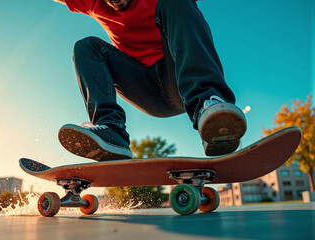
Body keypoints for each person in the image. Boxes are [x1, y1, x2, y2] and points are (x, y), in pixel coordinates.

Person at [54, 0, 247, 161]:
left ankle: (208, 109)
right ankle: (112, 133)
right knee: (85, 47)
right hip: (144, 90)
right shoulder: (94, 3)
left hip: (178, 81)